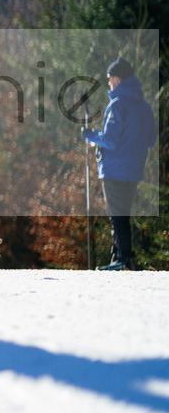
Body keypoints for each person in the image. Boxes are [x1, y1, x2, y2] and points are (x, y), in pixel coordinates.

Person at [83, 57, 156, 271]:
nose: (108, 83)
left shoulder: (117, 105)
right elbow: (150, 139)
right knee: (123, 213)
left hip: (114, 169)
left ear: (117, 78)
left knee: (117, 216)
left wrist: (90, 135)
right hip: (134, 170)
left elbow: (111, 140)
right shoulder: (145, 106)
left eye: (109, 79)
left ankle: (122, 259)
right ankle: (121, 257)